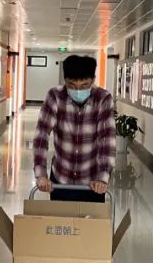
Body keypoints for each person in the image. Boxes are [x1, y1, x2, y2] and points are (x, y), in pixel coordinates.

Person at [33, 55, 116, 203]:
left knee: (92, 219)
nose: (78, 90)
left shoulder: (103, 98)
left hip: (92, 182)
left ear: (93, 80)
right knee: (60, 218)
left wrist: (103, 177)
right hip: (61, 178)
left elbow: (107, 140)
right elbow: (41, 135)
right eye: (71, 85)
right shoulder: (55, 96)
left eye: (84, 85)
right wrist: (41, 175)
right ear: (65, 80)